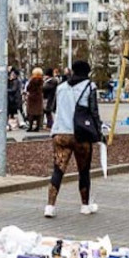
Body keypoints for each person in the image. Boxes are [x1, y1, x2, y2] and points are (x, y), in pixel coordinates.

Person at [44, 60, 98, 218]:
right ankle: (85, 205)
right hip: (81, 134)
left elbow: (51, 108)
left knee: (58, 170)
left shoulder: (61, 87)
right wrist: (98, 132)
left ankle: (50, 206)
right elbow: (94, 112)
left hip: (60, 133)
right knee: (83, 170)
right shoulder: (90, 87)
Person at [25, 67, 45, 132]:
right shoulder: (42, 81)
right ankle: (37, 127)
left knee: (31, 112)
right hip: (39, 98)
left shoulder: (32, 81)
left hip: (31, 98)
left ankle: (30, 126)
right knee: (38, 113)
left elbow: (28, 88)